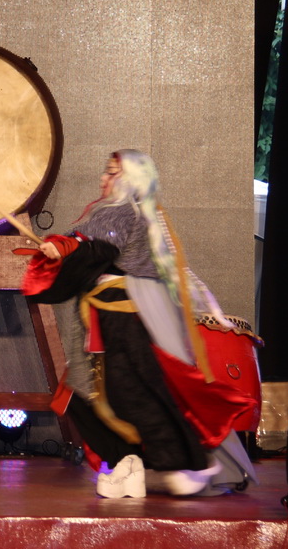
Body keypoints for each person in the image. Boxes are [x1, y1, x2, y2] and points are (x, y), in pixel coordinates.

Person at [21, 149, 256, 498]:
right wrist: (61, 249)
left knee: (133, 392)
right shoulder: (117, 212)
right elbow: (86, 247)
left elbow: (98, 250)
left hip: (124, 320)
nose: (103, 179)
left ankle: (183, 462)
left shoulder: (123, 211)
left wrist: (65, 251)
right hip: (106, 320)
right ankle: (130, 463)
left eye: (112, 172)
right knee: (80, 395)